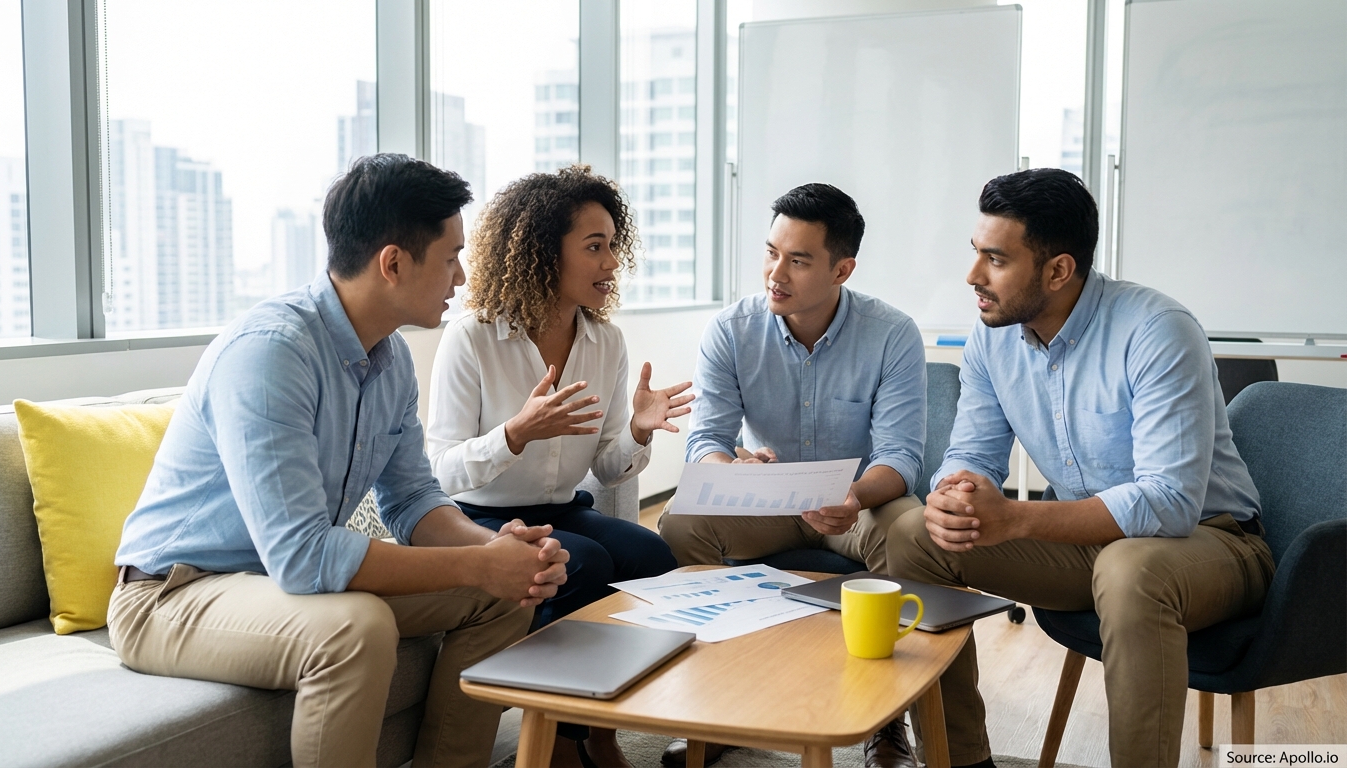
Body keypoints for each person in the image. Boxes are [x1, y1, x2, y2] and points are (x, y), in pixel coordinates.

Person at [110, 154, 570, 768]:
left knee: (506, 597)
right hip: (174, 594)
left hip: (274, 584)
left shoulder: (392, 361)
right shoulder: (272, 354)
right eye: (451, 256)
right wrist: (479, 563)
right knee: (356, 628)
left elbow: (411, 500)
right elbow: (304, 557)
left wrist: (492, 555)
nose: (461, 277)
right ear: (394, 262)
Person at [883, 168, 1274, 768]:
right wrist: (953, 491)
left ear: (1059, 270)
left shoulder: (1155, 331)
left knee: (1131, 567)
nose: (973, 276)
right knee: (914, 532)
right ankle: (959, 759)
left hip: (1213, 542)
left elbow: (1168, 502)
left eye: (995, 259)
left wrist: (1013, 518)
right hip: (1087, 546)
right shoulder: (992, 338)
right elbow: (971, 454)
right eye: (975, 253)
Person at [425, 165, 690, 768]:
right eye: (593, 247)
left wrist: (637, 433)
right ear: (544, 252)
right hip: (480, 518)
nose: (610, 263)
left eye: (613, 247)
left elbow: (607, 465)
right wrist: (514, 435)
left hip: (563, 510)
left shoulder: (606, 342)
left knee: (654, 558)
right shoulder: (473, 338)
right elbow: (440, 471)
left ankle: (602, 726)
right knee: (585, 561)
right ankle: (561, 744)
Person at [657, 182, 927, 768]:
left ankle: (888, 726)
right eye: (771, 252)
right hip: (769, 501)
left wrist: (854, 497)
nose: (775, 272)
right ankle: (717, 706)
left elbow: (902, 456)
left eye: (798, 260)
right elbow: (706, 440)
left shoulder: (891, 333)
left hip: (860, 505)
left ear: (842, 269)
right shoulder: (731, 330)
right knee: (681, 523)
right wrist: (733, 470)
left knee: (912, 532)